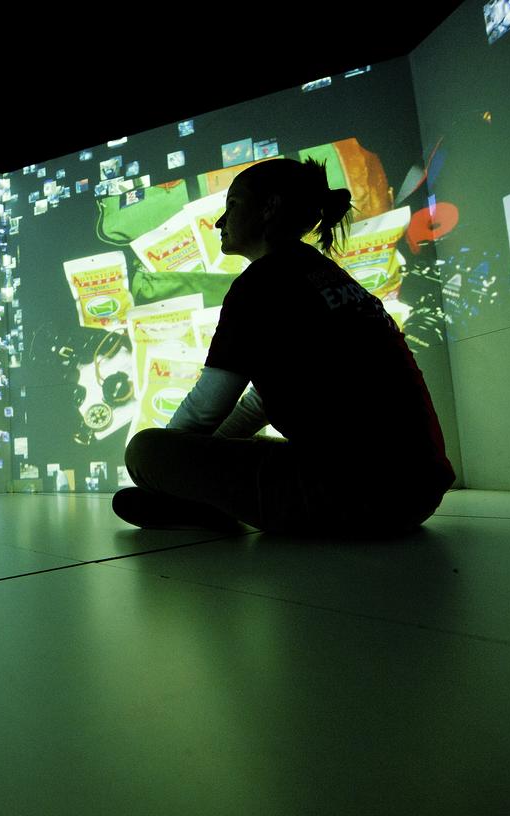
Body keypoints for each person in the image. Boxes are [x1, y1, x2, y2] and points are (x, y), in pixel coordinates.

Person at [113, 157, 455, 536]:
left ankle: (195, 506)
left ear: (269, 209)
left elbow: (205, 409)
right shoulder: (324, 276)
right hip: (418, 493)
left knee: (144, 450)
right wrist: (200, 459)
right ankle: (202, 506)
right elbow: (262, 401)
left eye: (233, 206)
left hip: (358, 498)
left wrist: (169, 468)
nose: (220, 222)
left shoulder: (260, 284)